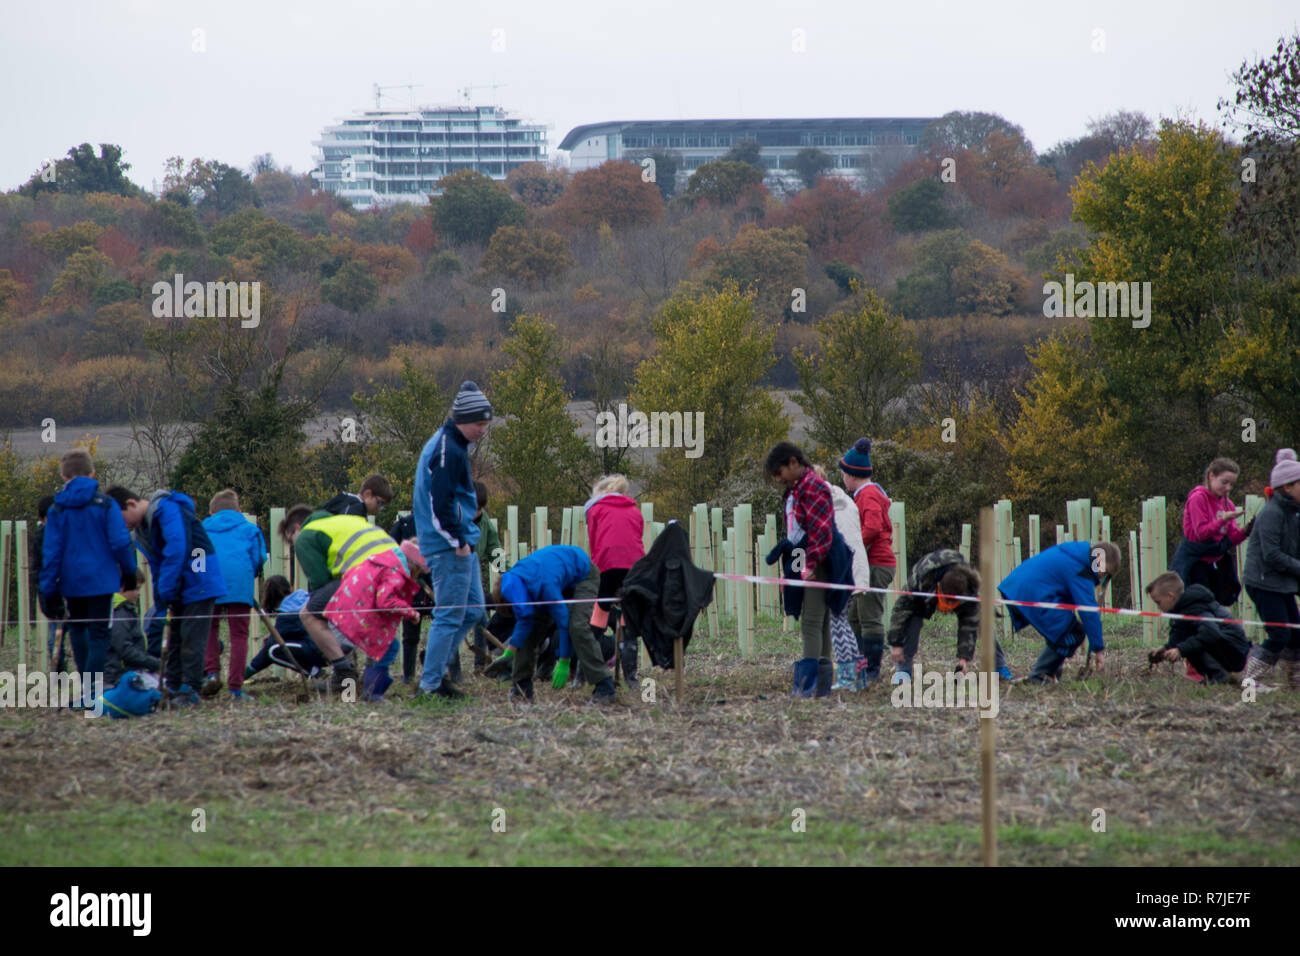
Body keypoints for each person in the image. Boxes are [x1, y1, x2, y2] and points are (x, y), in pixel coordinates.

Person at [107, 485, 227, 707]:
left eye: (120, 518)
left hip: (199, 581)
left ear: (131, 504)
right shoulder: (142, 530)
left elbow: (178, 548)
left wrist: (167, 588)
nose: (121, 525)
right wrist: (162, 595)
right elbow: (157, 565)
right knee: (173, 638)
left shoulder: (166, 509)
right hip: (179, 585)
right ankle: (172, 686)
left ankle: (191, 689)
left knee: (192, 637)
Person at [412, 381, 493, 702]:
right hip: (449, 544)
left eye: (486, 424)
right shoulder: (447, 451)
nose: (483, 430)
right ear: (463, 419)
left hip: (461, 539)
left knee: (474, 609)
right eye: (479, 424)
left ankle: (437, 661)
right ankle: (429, 686)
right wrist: (457, 539)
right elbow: (439, 503)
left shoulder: (454, 444)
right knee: (449, 614)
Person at [39, 450, 137, 707]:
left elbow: (52, 552)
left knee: (79, 633)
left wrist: (48, 589)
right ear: (92, 473)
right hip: (102, 581)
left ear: (63, 475)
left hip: (71, 583)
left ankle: (86, 690)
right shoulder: (105, 505)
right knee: (99, 635)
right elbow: (119, 540)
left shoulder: (57, 509)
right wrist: (129, 572)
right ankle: (94, 692)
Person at [276, 505, 402, 692]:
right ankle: (368, 685)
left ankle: (343, 673)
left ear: (296, 528)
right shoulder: (344, 521)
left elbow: (319, 582)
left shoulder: (306, 534)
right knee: (366, 622)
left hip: (368, 572)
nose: (295, 545)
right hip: (396, 569)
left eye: (291, 540)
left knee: (310, 614)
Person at [764, 442, 854, 698]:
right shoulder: (802, 486)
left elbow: (821, 533)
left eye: (779, 473)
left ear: (794, 463)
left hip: (823, 558)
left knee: (812, 621)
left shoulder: (812, 487)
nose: (779, 479)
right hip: (818, 555)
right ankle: (822, 687)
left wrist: (809, 565)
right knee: (822, 620)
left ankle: (806, 687)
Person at [482, 544, 615, 702]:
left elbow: (563, 623)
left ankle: (605, 686)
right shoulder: (515, 583)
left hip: (582, 574)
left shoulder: (546, 587)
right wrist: (509, 652)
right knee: (529, 632)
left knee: (577, 627)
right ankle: (521, 687)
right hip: (556, 575)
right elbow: (525, 621)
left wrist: (564, 661)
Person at [998, 541, 1120, 684]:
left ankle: (1052, 674)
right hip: (1031, 594)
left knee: (1063, 630)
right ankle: (1040, 676)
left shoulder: (1075, 556)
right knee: (1071, 633)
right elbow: (1089, 611)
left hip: (1021, 589)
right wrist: (1098, 649)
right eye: (1104, 572)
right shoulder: (1081, 568)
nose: (1102, 577)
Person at [886, 548, 1012, 683]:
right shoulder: (920, 581)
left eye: (954, 603)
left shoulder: (969, 590)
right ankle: (903, 672)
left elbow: (968, 625)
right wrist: (896, 644)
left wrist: (964, 660)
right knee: (912, 621)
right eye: (947, 602)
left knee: (983, 622)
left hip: (956, 583)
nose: (949, 607)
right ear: (939, 587)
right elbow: (901, 611)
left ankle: (999, 668)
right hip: (925, 589)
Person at [322, 539, 425, 701]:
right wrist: (410, 612)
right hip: (357, 615)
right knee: (388, 647)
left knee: (348, 656)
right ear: (414, 565)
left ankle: (349, 696)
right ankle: (371, 692)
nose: (417, 576)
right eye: (419, 571)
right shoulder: (396, 572)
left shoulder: (385, 559)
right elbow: (386, 600)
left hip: (345, 609)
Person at [1240, 449, 1300, 689]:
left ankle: (1293, 680)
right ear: (1287, 487)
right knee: (1280, 634)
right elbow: (1272, 555)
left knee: (1295, 633)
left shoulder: (1294, 513)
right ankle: (1251, 680)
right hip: (1263, 582)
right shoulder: (1271, 513)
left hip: (1282, 582)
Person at [201, 489, 268, 701]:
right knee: (239, 635)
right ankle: (235, 689)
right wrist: (251, 574)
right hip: (239, 583)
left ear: (211, 511)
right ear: (239, 510)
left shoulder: (202, 529)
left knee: (209, 629)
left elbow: (196, 556)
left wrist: (199, 576)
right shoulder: (250, 529)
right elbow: (258, 558)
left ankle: (211, 673)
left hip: (209, 583)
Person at [839, 438, 895, 684]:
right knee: (854, 618)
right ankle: (861, 664)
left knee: (869, 617)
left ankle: (872, 671)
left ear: (852, 475)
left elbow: (872, 527)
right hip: (869, 563)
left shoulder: (868, 495)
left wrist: (854, 548)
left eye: (843, 474)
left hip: (875, 563)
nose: (842, 478)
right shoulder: (865, 494)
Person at [583, 474, 645, 687]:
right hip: (635, 566)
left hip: (607, 565)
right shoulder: (635, 510)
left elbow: (594, 542)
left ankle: (585, 674)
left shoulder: (595, 509)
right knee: (628, 619)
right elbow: (637, 536)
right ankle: (631, 678)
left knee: (599, 616)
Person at [1173, 458, 1251, 610]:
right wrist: (1222, 520)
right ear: (1211, 476)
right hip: (1195, 563)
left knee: (1217, 607)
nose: (1228, 488)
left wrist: (1245, 531)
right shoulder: (1198, 498)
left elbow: (1230, 539)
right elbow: (1201, 533)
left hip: (1216, 563)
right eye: (1224, 482)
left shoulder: (1228, 504)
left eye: (1232, 484)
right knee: (1198, 608)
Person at [1145, 572, 1248, 685]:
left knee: (1189, 643)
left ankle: (1219, 676)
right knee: (1188, 642)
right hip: (1226, 645)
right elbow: (1179, 638)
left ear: (1170, 596)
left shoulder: (1195, 607)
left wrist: (1181, 650)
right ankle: (1213, 676)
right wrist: (1165, 649)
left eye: (1158, 602)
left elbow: (1211, 633)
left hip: (1234, 650)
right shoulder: (1181, 609)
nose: (1158, 607)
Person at [821, 466, 869, 690]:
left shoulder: (829, 507)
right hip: (853, 568)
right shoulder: (843, 500)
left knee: (837, 623)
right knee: (842, 622)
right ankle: (857, 674)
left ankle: (847, 674)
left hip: (843, 571)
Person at [243, 575, 329, 680]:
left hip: (318, 653)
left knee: (273, 650)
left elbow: (270, 645)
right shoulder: (307, 597)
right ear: (291, 588)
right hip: (332, 647)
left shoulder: (286, 616)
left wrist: (248, 671)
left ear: (270, 599)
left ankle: (315, 673)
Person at [105, 572, 160, 689]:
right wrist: (153, 664)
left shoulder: (125, 610)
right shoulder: (119, 613)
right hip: (121, 676)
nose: (139, 593)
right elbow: (124, 649)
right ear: (122, 588)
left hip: (130, 670)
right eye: (136, 589)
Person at [317, 474, 393, 518]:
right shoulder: (356, 510)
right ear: (368, 494)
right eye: (379, 503)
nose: (379, 508)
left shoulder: (342, 501)